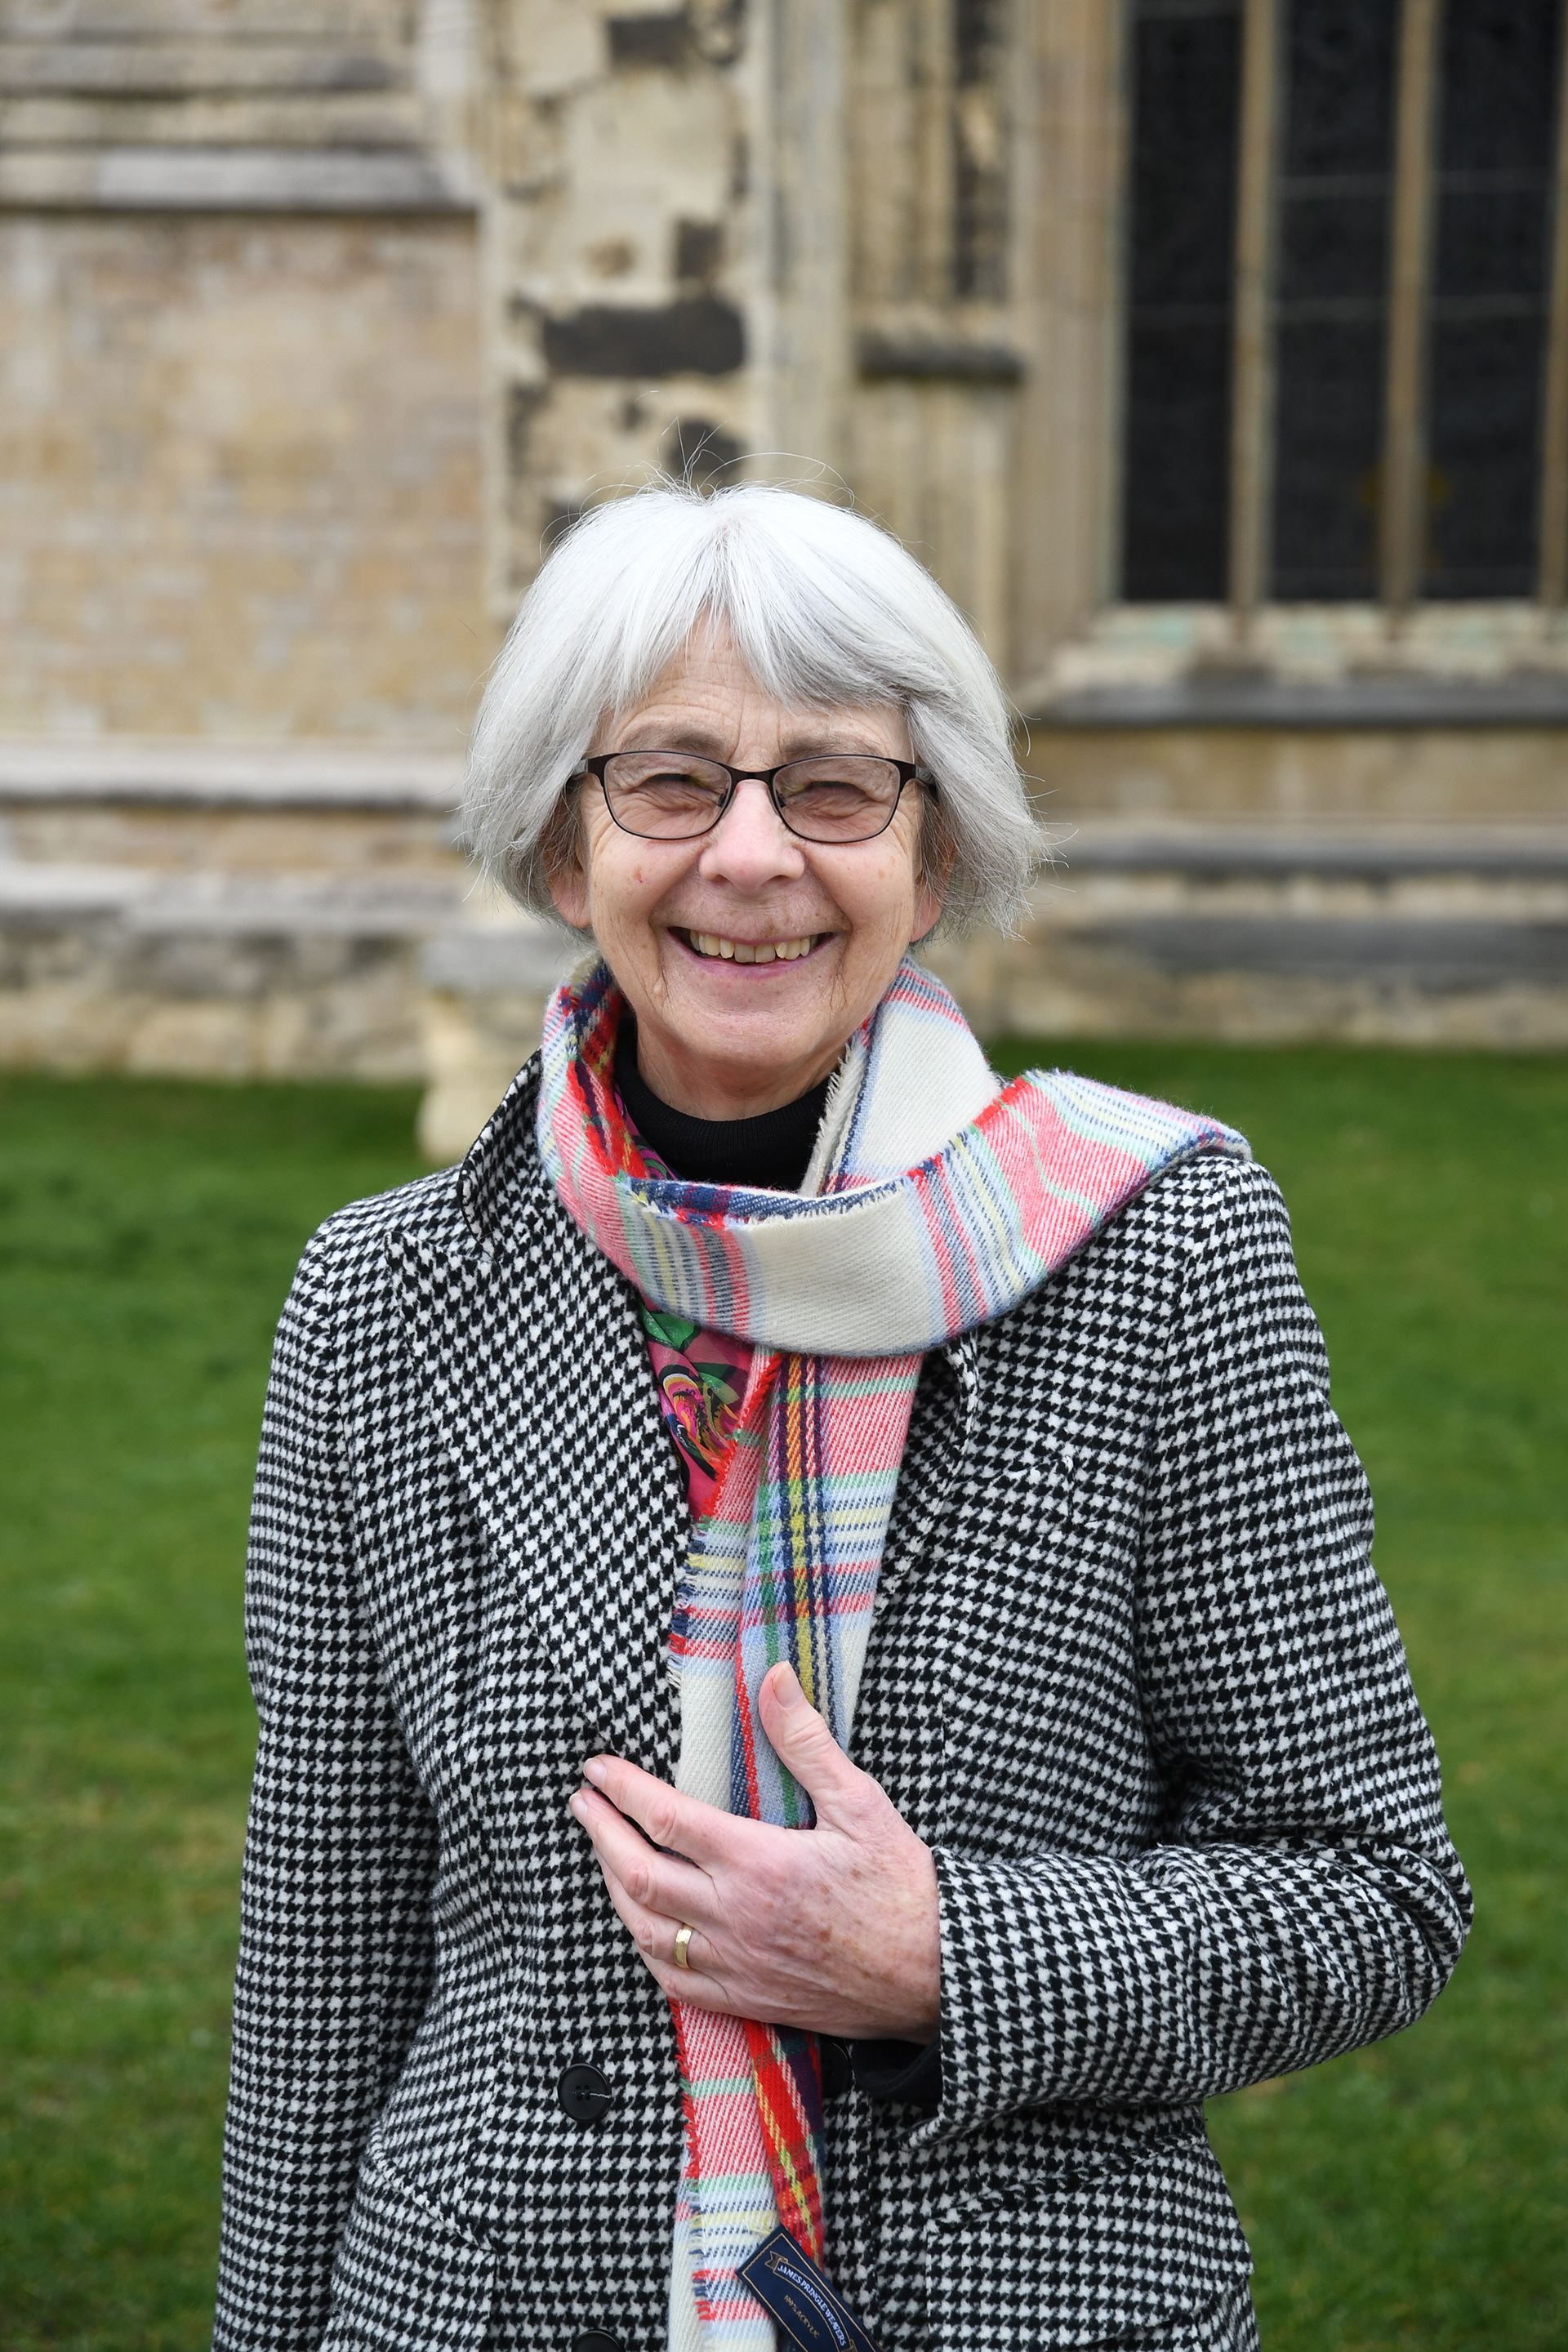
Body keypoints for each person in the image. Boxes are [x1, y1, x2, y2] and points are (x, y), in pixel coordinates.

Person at [216, 485, 1470, 2352]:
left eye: (831, 785)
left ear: (932, 847)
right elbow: (324, 1949)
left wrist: (940, 1958)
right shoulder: (385, 1297)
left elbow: (1370, 1889)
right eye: (668, 781)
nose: (749, 858)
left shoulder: (1160, 1242)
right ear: (566, 848)